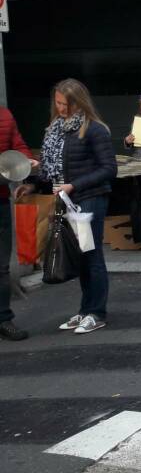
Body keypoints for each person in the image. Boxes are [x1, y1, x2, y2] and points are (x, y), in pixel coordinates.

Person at [15, 78, 116, 335]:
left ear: (78, 102)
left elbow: (108, 169)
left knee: (90, 255)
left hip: (87, 198)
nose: (61, 108)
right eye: (58, 103)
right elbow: (52, 172)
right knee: (81, 256)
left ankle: (96, 312)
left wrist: (73, 185)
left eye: (67, 103)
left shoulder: (94, 129)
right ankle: (86, 310)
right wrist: (34, 184)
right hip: (68, 198)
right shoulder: (56, 129)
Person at [0, 108, 36, 341]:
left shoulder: (5, 116)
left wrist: (25, 160)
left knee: (1, 266)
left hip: (0, 199)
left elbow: (18, 145)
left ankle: (3, 319)